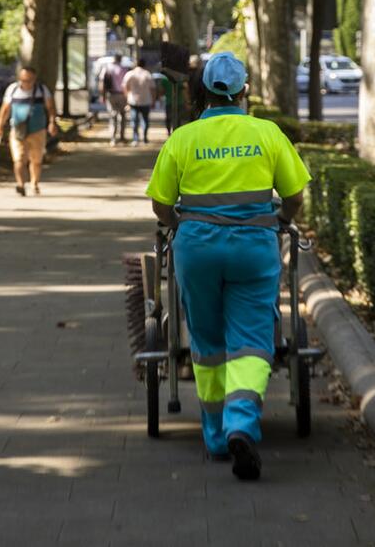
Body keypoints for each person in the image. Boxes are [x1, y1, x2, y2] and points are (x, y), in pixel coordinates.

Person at [144, 50, 309, 482]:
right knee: (253, 339)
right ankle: (242, 425)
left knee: (207, 338)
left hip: (196, 249)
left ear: (201, 93)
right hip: (254, 247)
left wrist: (184, 224)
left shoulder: (182, 139)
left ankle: (216, 436)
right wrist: (283, 222)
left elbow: (161, 205)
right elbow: (293, 198)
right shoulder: (267, 134)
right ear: (243, 90)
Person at [0, 62, 57, 196]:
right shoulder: (12, 90)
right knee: (18, 158)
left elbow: (50, 108)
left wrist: (52, 122)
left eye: (29, 80)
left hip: (38, 130)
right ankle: (20, 184)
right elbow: (4, 110)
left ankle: (34, 183)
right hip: (18, 130)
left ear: (34, 79)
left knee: (36, 160)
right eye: (23, 80)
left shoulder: (42, 90)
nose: (26, 83)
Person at [123, 57, 157, 144]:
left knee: (134, 120)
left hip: (133, 100)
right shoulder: (147, 74)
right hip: (146, 100)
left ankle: (135, 139)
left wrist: (127, 96)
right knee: (145, 120)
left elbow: (125, 86)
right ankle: (145, 138)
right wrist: (153, 100)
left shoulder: (130, 74)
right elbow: (153, 88)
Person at [102, 53, 132, 144]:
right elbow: (128, 84)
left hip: (111, 95)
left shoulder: (107, 68)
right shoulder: (125, 69)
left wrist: (102, 95)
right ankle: (122, 137)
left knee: (113, 116)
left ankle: (113, 138)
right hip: (123, 95)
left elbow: (102, 83)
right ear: (121, 59)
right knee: (122, 116)